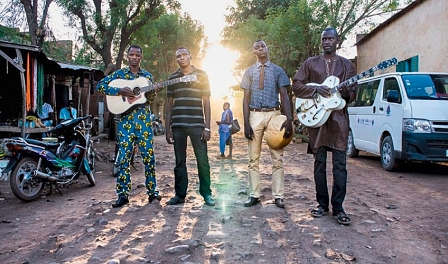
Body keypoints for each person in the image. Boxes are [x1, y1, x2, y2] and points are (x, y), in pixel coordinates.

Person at [291, 28, 357, 225]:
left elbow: (353, 92)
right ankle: (322, 204)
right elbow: (296, 85)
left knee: (340, 165)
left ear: (337, 40)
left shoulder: (346, 65)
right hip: (317, 119)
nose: (327, 41)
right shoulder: (311, 63)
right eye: (324, 39)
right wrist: (316, 89)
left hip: (339, 120)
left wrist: (345, 93)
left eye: (330, 38)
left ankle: (339, 208)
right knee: (319, 164)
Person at [96, 44, 162, 208]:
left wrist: (155, 90)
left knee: (148, 157)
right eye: (131, 54)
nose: (134, 57)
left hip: (144, 120)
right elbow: (100, 86)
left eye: (137, 55)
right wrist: (119, 91)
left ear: (141, 57)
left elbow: (150, 98)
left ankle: (152, 193)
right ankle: (123, 195)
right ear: (128, 56)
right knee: (123, 158)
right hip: (126, 121)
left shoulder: (147, 76)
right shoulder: (120, 74)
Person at [240, 40, 293, 209]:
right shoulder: (248, 72)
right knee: (253, 158)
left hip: (274, 115)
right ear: (253, 52)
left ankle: (278, 196)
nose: (260, 48)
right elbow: (245, 99)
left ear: (267, 48)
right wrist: (246, 123)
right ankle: (254, 194)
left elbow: (284, 96)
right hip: (254, 115)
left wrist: (289, 119)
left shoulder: (278, 71)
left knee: (277, 158)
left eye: (262, 46)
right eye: (256, 47)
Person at [165, 46, 215, 206]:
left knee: (203, 160)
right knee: (180, 161)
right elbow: (169, 104)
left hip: (197, 125)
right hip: (178, 125)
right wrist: (167, 129)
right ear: (176, 59)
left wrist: (207, 126)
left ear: (190, 56)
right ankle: (180, 195)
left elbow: (206, 101)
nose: (181, 58)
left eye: (184, 55)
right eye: (178, 56)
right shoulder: (172, 78)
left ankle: (207, 194)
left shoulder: (201, 75)